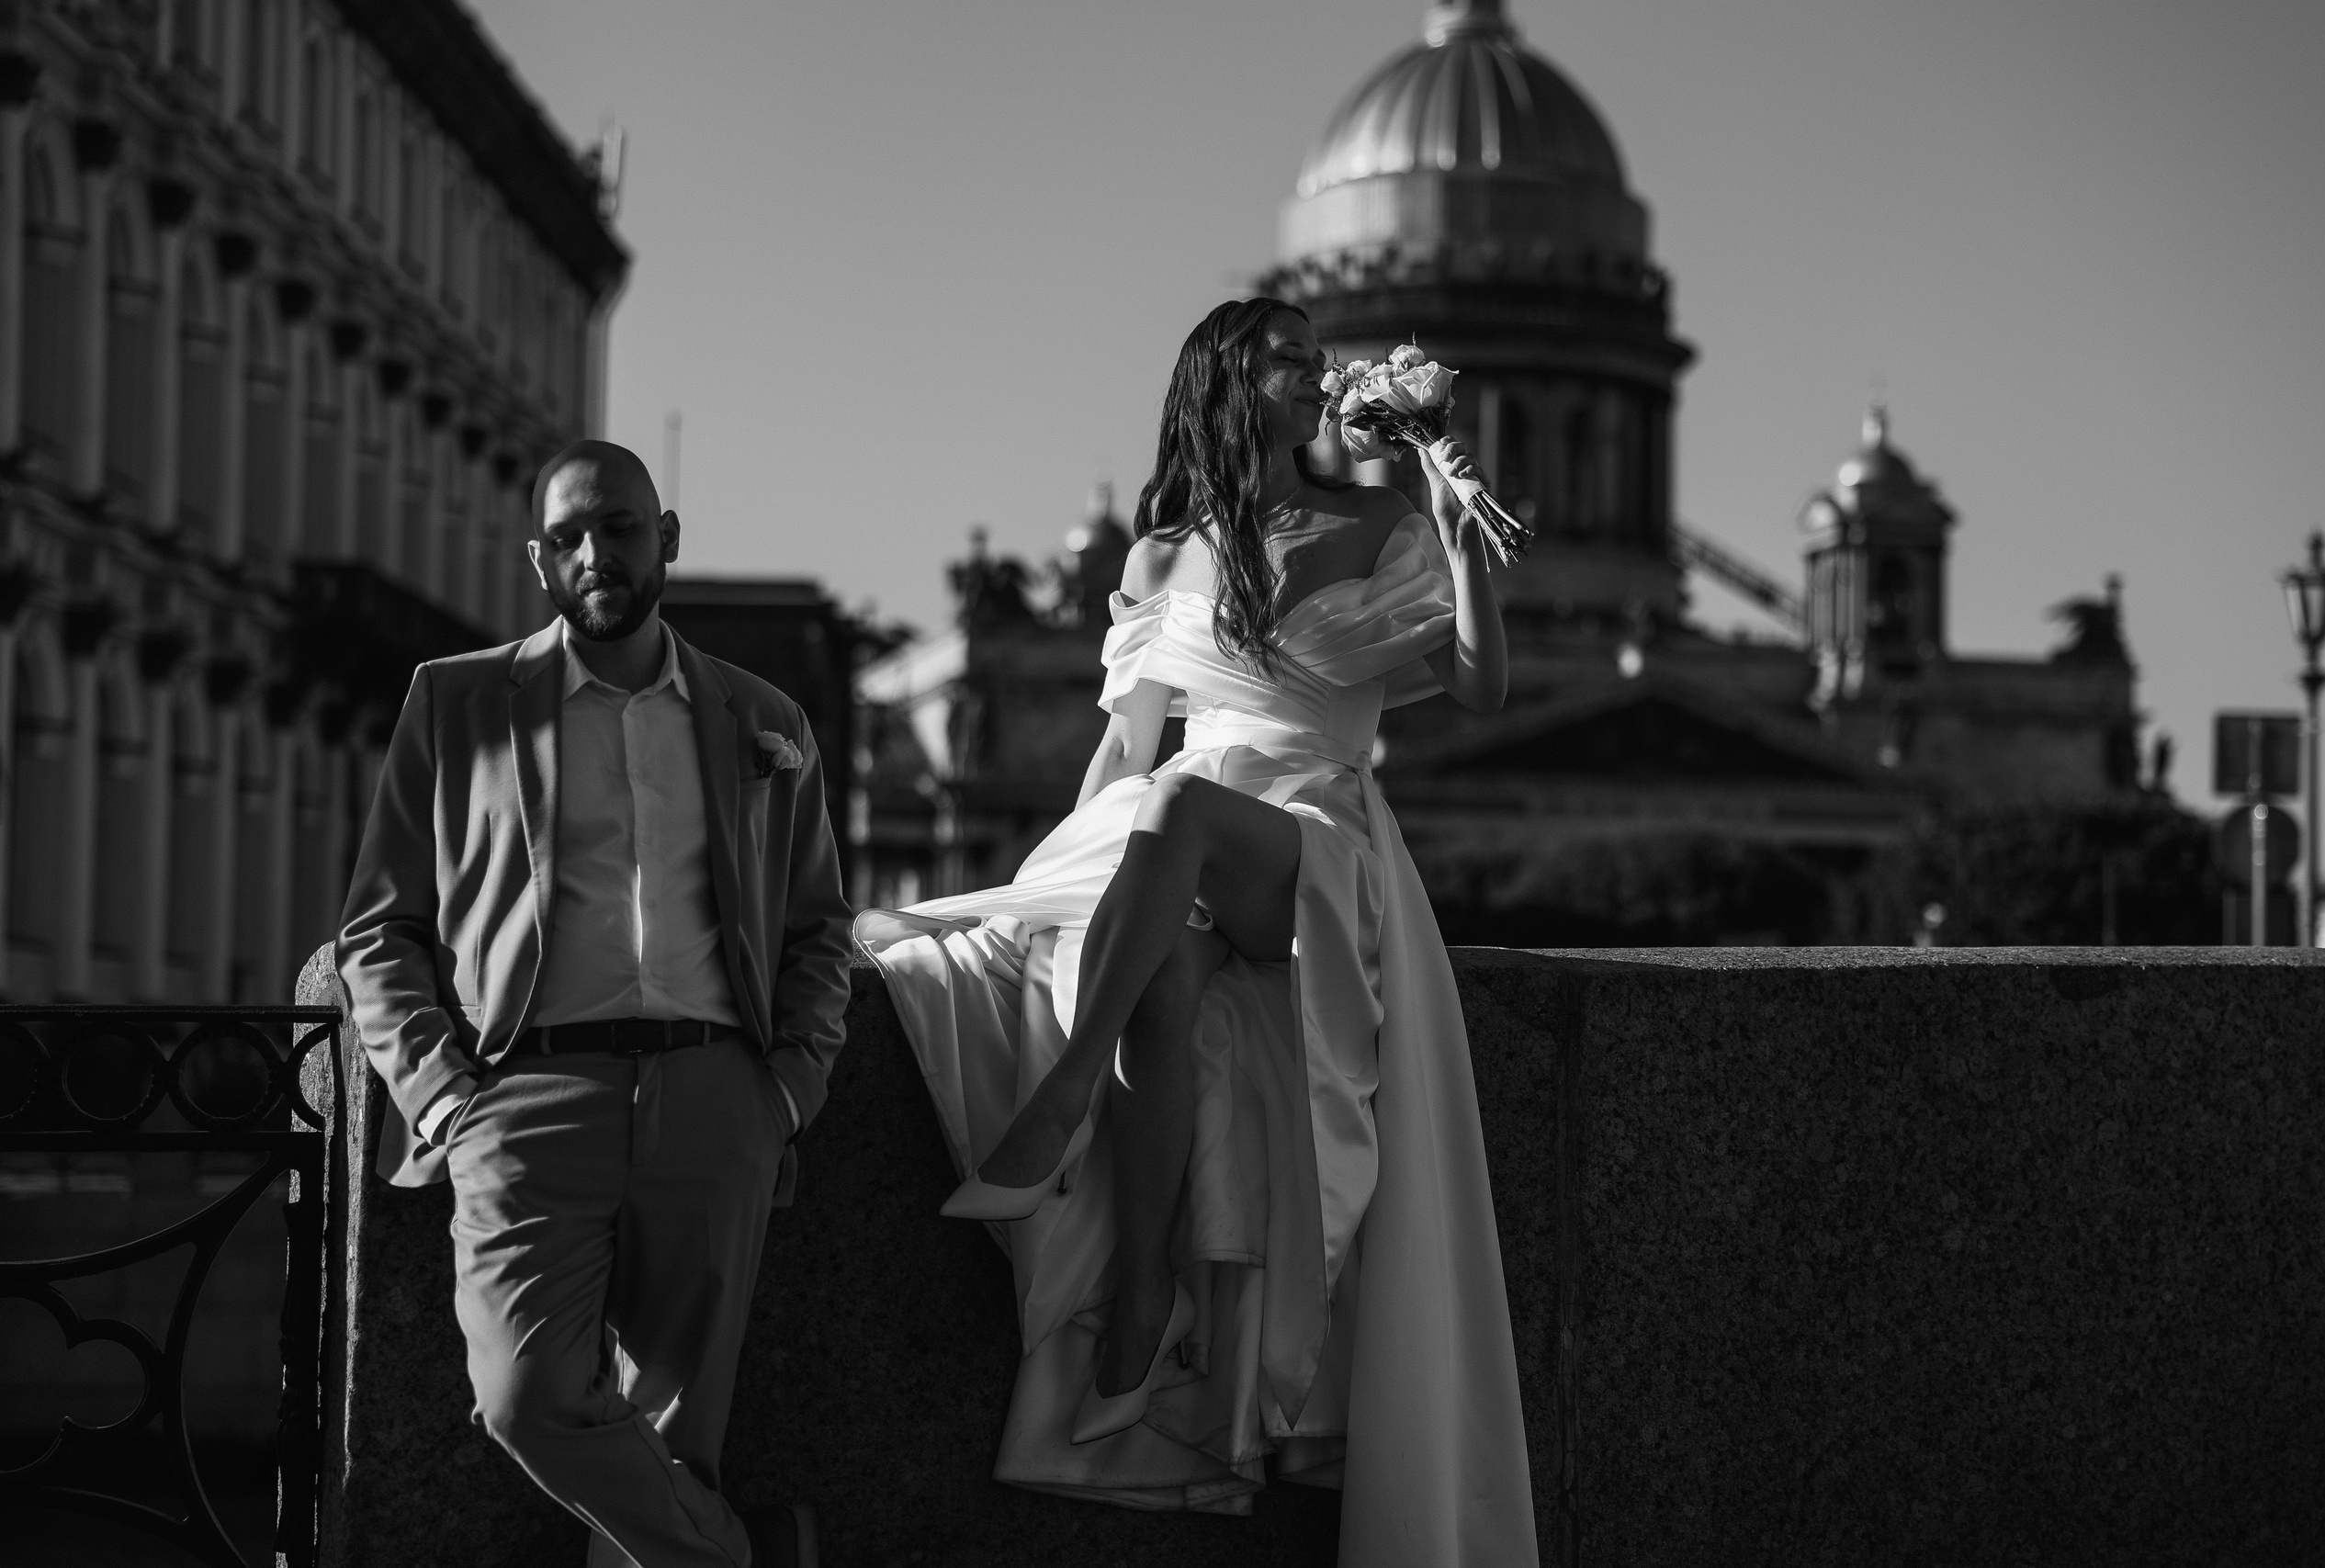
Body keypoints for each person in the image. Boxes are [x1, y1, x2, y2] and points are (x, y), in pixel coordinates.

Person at [856, 298, 1540, 1564]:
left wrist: (1456, 533)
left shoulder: (1385, 518)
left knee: (1176, 801)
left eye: (1318, 366)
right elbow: (1123, 745)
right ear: (1226, 386)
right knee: (1156, 963)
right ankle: (1141, 1292)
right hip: (1182, 844)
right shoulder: (1168, 550)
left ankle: (1058, 1101)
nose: (1318, 380)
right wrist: (1056, 882)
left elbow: (1483, 682)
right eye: (1289, 363)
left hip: (1316, 846)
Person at [338, 440, 852, 1568]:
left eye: (619, 528)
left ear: (665, 538)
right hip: (526, 1095)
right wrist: (440, 1100)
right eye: (568, 536)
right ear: (538, 559)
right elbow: (378, 929)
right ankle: (748, 1557)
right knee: (519, 1395)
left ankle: (713, 1545)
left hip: (718, 1096)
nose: (594, 554)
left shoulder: (762, 717)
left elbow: (820, 928)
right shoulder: (460, 700)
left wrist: (788, 1092)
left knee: (679, 1435)